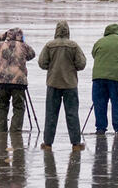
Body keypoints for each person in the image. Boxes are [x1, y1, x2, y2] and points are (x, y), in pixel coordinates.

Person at [38, 21, 87, 150]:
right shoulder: (74, 46)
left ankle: (47, 143)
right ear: (68, 31)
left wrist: (52, 66)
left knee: (51, 114)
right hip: (70, 84)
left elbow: (42, 63)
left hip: (53, 83)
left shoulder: (49, 45)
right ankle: (76, 143)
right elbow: (81, 64)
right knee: (72, 114)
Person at [0, 27, 36, 132]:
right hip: (19, 82)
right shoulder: (24, 47)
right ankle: (15, 130)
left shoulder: (1, 45)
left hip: (3, 81)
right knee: (19, 107)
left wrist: (3, 35)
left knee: (2, 106)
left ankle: (1, 130)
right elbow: (32, 55)